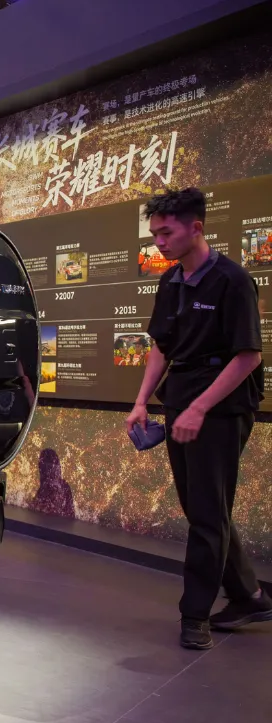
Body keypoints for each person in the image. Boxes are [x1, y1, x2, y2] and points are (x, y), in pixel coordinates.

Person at [126, 188, 272, 650]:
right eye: (155, 234)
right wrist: (141, 401)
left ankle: (195, 616)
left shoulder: (232, 280)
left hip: (223, 407)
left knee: (207, 514)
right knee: (201, 508)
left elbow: (247, 357)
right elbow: (161, 347)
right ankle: (249, 594)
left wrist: (199, 408)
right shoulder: (169, 283)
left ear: (197, 228)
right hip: (182, 402)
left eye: (166, 233)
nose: (160, 243)